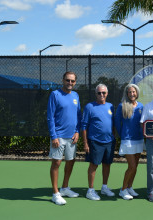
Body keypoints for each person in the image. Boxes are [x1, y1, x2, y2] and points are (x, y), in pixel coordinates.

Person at [47, 71, 82, 205]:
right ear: (63, 80)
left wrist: (77, 132)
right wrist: (53, 136)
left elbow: (78, 115)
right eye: (68, 80)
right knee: (56, 163)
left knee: (70, 161)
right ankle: (55, 193)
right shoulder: (55, 94)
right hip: (59, 136)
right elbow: (50, 117)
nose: (70, 83)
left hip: (72, 136)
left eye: (72, 81)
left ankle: (65, 188)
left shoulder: (75, 95)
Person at [81, 84, 116, 201]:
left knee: (107, 164)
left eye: (104, 93)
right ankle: (90, 191)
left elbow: (113, 124)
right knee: (94, 165)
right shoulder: (89, 107)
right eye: (99, 93)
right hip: (95, 141)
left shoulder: (111, 106)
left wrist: (113, 137)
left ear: (107, 94)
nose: (101, 95)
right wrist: (85, 143)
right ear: (95, 94)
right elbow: (84, 126)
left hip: (109, 142)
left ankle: (104, 187)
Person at [115, 84, 144, 200]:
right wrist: (123, 134)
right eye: (130, 92)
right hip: (128, 140)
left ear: (137, 93)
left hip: (139, 139)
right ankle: (123, 190)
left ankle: (130, 187)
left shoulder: (141, 105)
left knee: (135, 166)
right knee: (131, 166)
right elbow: (117, 122)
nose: (132, 94)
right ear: (127, 94)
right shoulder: (122, 106)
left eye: (134, 92)